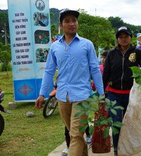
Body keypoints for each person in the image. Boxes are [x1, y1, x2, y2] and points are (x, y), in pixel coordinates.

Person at [35, 9, 104, 156]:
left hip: (82, 96)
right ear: (61, 25)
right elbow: (49, 71)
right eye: (67, 21)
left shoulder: (87, 44)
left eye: (74, 20)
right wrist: (42, 94)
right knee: (76, 136)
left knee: (76, 135)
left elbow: (95, 70)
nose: (71, 24)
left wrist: (101, 94)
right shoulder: (55, 47)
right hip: (62, 96)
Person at [103, 26, 141, 156]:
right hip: (113, 94)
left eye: (126, 36)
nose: (123, 39)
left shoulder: (137, 53)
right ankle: (117, 149)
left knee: (130, 123)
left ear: (130, 38)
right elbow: (106, 74)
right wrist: (101, 92)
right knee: (116, 123)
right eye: (120, 37)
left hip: (131, 94)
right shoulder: (111, 54)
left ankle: (128, 147)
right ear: (117, 39)